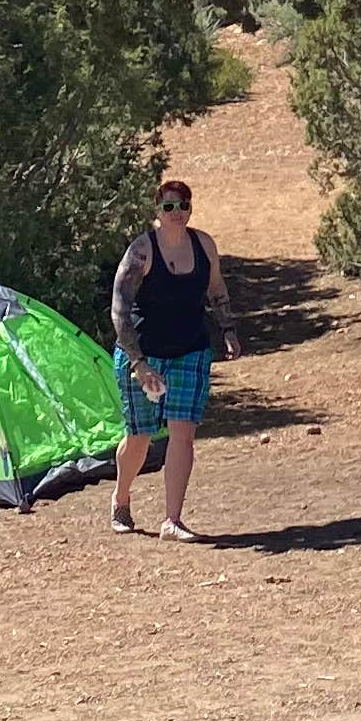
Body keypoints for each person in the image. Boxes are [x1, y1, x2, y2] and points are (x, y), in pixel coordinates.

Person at [109, 178, 237, 539]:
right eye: (169, 207)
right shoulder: (141, 252)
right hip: (143, 353)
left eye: (183, 206)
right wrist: (138, 362)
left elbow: (216, 288)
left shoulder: (204, 245)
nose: (176, 213)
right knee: (140, 435)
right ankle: (121, 499)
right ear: (157, 212)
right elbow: (119, 309)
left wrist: (228, 329)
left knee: (183, 432)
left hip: (190, 350)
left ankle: (173, 520)